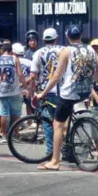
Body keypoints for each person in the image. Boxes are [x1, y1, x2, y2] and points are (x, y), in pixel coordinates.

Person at [32, 25, 98, 171]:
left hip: (69, 93)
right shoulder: (90, 49)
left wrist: (43, 93)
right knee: (66, 120)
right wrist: (90, 82)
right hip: (85, 91)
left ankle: (54, 161)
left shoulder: (66, 51)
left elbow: (56, 76)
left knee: (57, 124)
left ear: (67, 36)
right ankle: (71, 139)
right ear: (81, 35)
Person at [29, 28, 64, 156]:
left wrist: (32, 93)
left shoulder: (38, 53)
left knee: (48, 123)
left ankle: (51, 151)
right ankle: (65, 150)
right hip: (62, 91)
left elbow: (33, 76)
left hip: (45, 91)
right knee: (62, 122)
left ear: (43, 40)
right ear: (56, 38)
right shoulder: (63, 50)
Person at [0, 42, 25, 142]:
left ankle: (4, 135)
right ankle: (14, 134)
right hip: (14, 90)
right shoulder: (14, 58)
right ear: (11, 51)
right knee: (15, 113)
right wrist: (26, 86)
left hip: (1, 90)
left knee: (3, 113)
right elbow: (20, 74)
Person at [13, 42, 33, 116]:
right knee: (28, 103)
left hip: (16, 87)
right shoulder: (29, 62)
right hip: (27, 86)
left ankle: (18, 121)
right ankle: (30, 120)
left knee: (17, 106)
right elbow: (32, 75)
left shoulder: (13, 61)